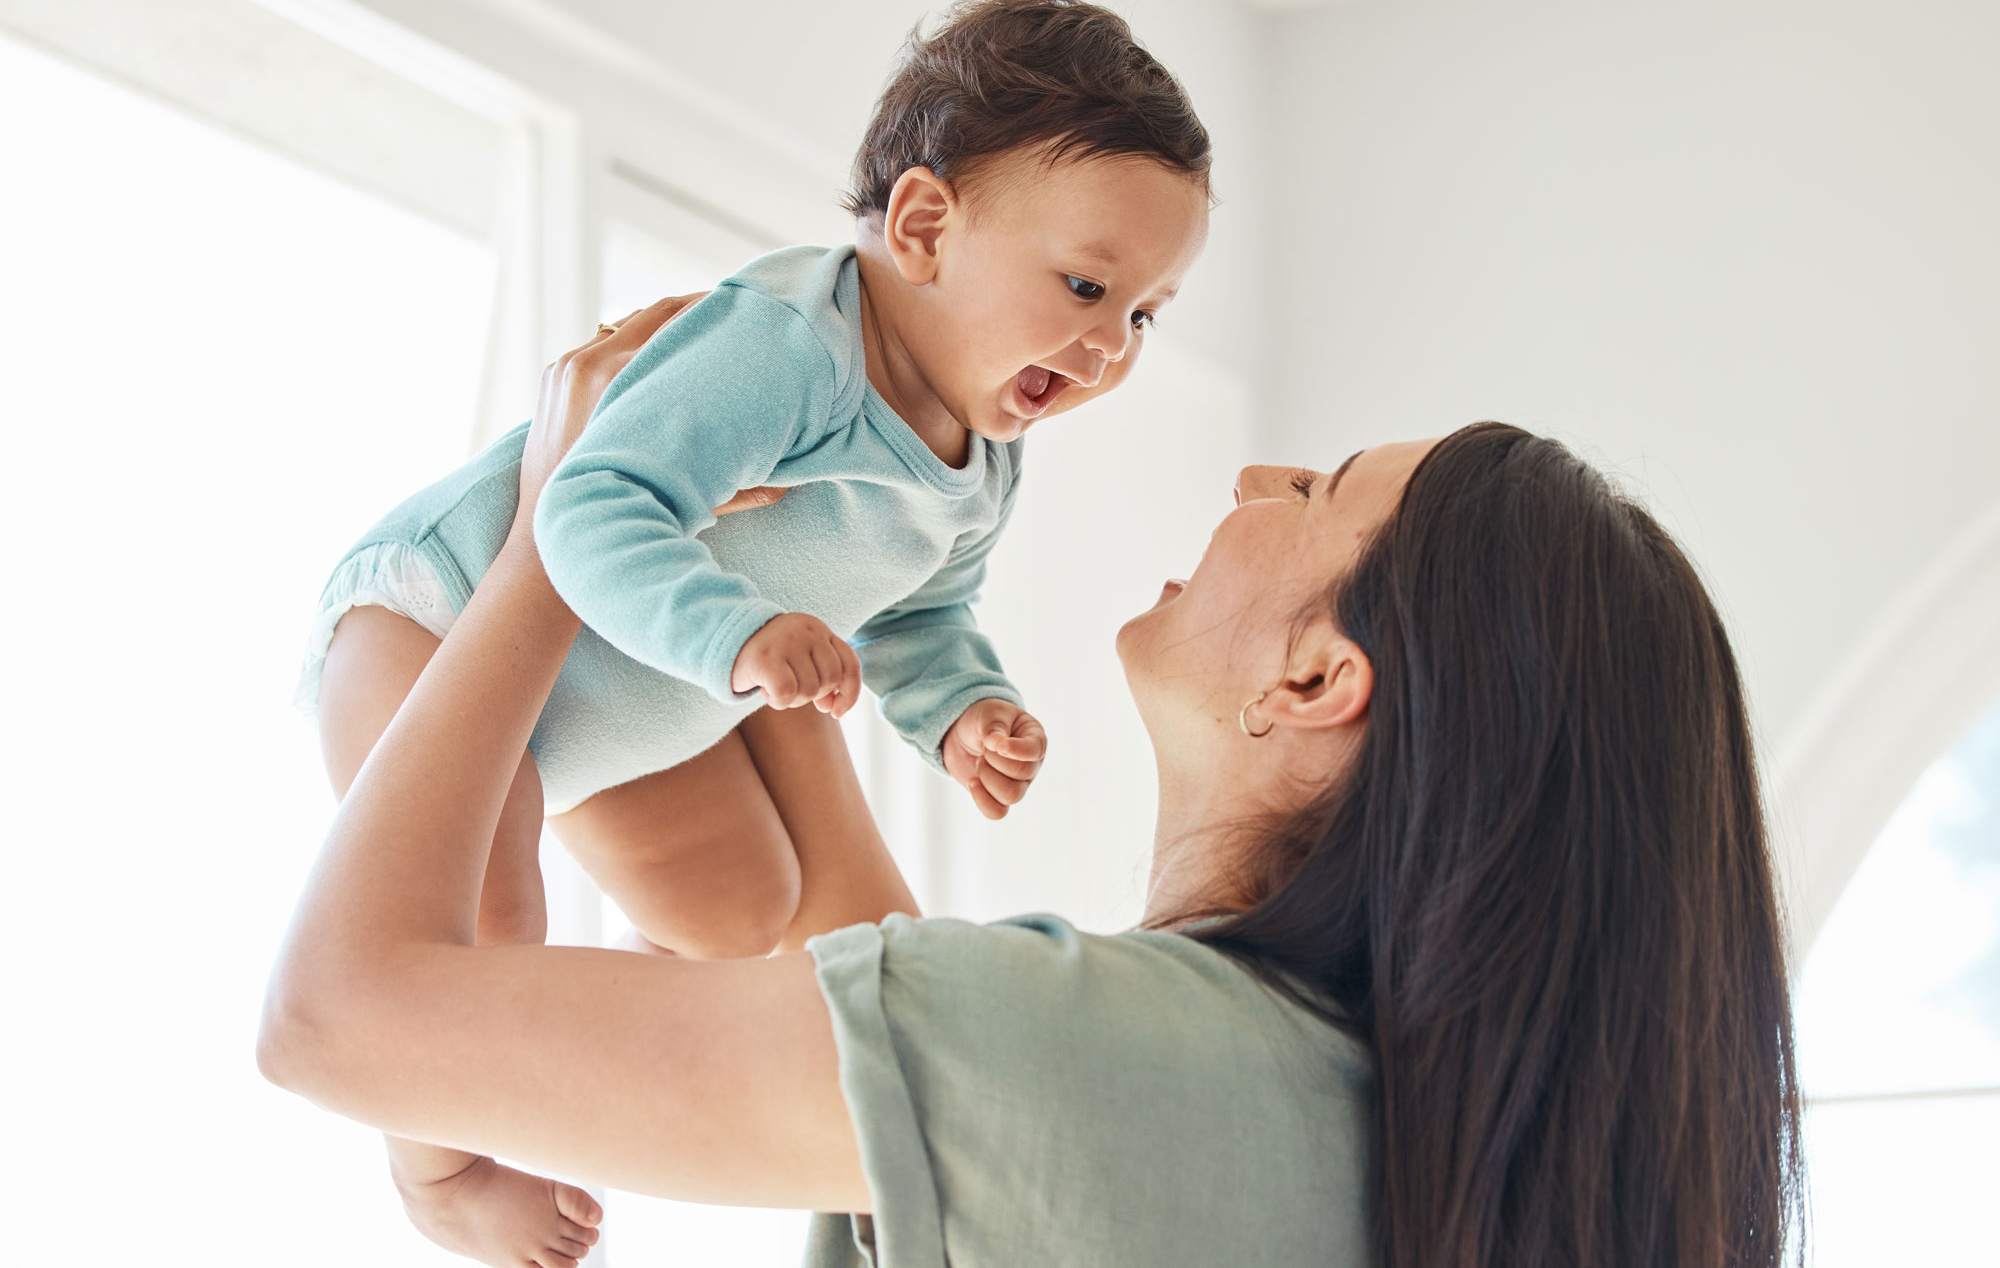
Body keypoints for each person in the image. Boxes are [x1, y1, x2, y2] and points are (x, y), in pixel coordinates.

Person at [260, 302, 1805, 1268]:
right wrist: (755, 545)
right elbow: (837, 928)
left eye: (1317, 490)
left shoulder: (1075, 1045)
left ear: (1317, 681)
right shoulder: (1352, 1119)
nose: (1257, 481)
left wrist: (556, 525)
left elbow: (338, 1018)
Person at [291, 0, 1210, 1264]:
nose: (1109, 347)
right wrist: (737, 637)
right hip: (436, 622)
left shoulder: (985, 459)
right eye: (1087, 287)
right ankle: (437, 1173)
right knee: (485, 924)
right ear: (923, 226)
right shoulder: (789, 348)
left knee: (738, 909)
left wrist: (958, 710)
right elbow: (589, 503)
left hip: (618, 695)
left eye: (1143, 315)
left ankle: (589, 1058)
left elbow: (922, 609)